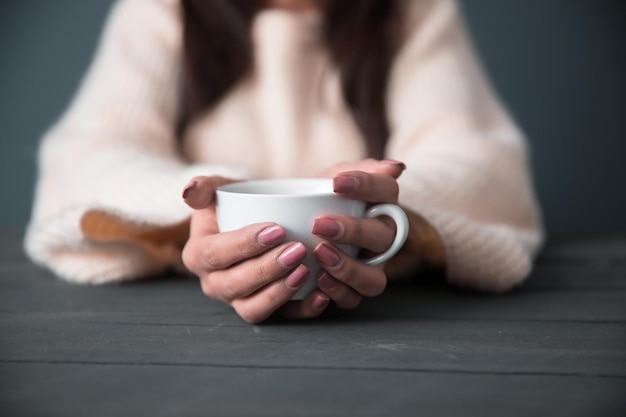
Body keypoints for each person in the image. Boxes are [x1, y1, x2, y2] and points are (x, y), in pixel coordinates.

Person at [24, 0, 544, 323]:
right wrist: (205, 208)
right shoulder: (163, 9)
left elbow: (482, 160)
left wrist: (377, 204)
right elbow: (85, 155)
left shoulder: (412, 10)